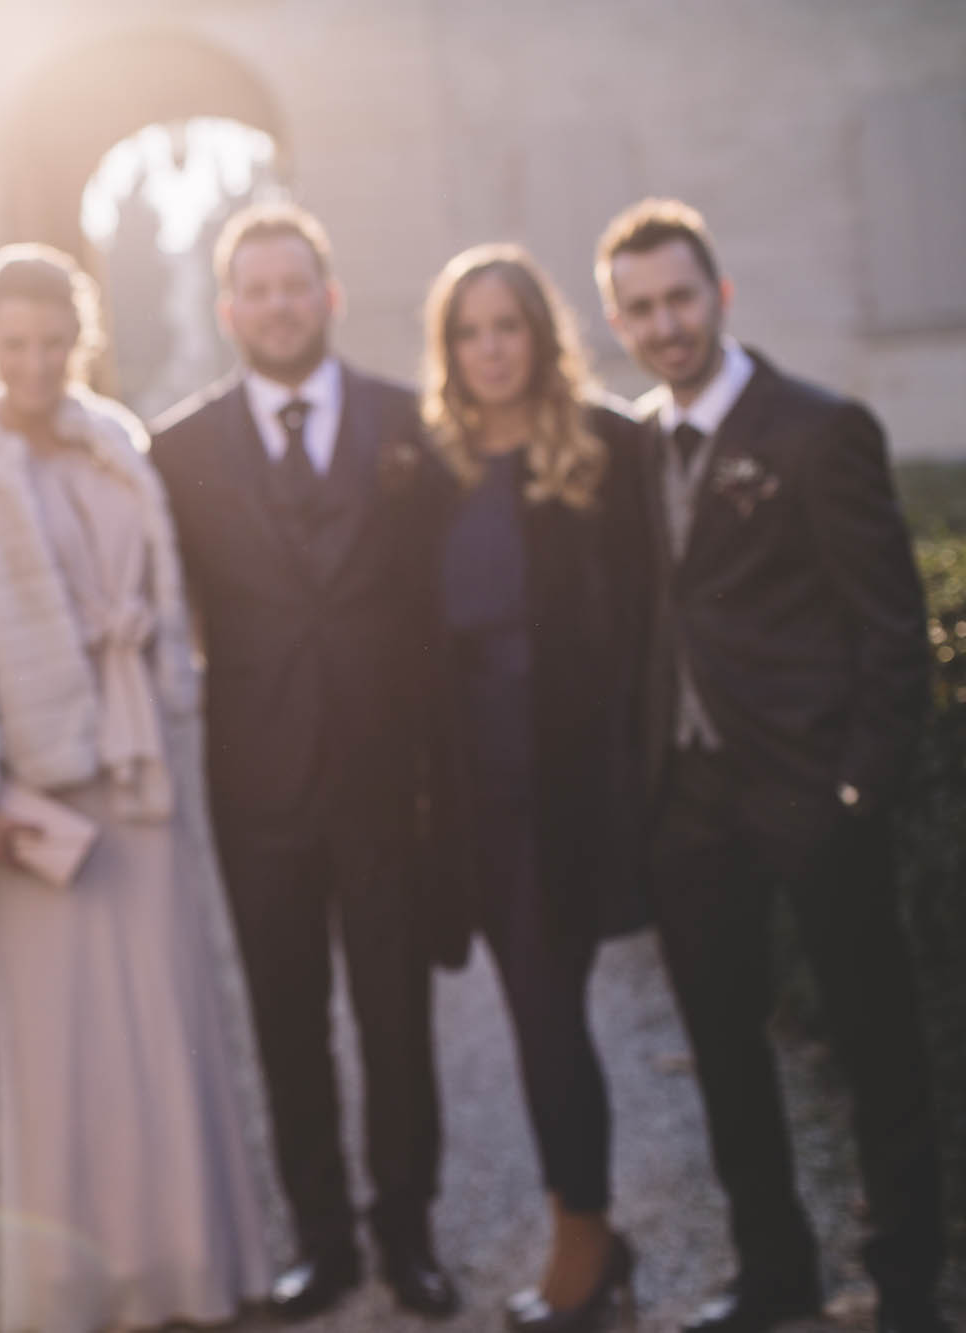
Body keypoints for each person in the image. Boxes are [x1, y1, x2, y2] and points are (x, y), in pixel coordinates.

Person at [0, 243, 291, 1332]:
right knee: (62, 1036)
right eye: (14, 344)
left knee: (169, 1013)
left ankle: (192, 1272)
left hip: (136, 763)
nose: (35, 363)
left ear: (83, 341)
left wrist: (162, 693)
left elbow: (167, 594)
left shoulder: (118, 439)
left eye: (55, 341)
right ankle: (84, 1291)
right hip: (35, 784)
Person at [595, 198, 945, 1333]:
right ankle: (771, 1272)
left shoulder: (814, 427)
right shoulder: (630, 446)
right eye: (639, 308)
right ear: (617, 321)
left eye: (679, 298)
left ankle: (904, 1283)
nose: (664, 325)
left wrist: (856, 788)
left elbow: (889, 627)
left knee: (872, 1042)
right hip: (687, 802)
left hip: (809, 792)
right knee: (724, 1052)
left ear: (719, 295)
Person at [147, 203, 459, 1318]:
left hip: (386, 784)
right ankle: (320, 1241)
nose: (278, 306)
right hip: (257, 785)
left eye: (296, 285)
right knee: (285, 1022)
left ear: (327, 296)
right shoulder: (174, 449)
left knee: (395, 1021)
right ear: (229, 311)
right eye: (256, 290)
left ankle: (407, 1236)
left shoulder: (409, 424)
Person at [419, 244, 648, 1329]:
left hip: (578, 790)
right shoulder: (430, 471)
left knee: (554, 1022)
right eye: (469, 332)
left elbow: (649, 629)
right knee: (535, 1020)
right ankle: (592, 1233)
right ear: (449, 352)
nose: (489, 348)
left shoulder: (607, 450)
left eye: (506, 325)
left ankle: (584, 1246)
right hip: (482, 801)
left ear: (538, 336)